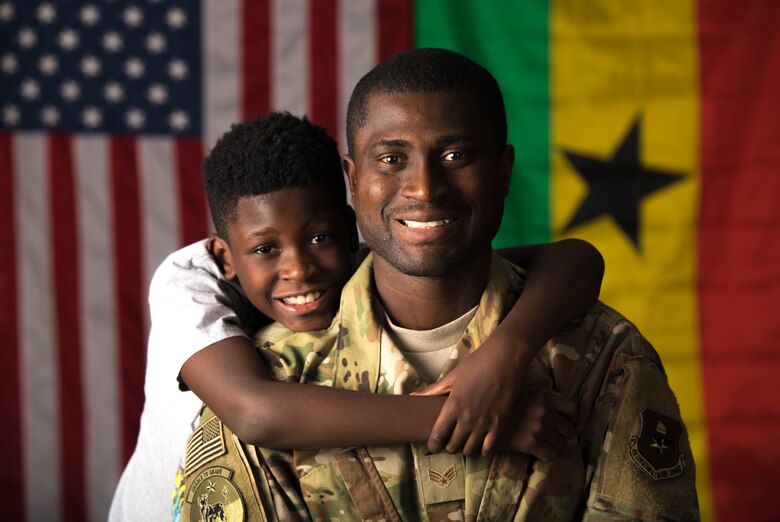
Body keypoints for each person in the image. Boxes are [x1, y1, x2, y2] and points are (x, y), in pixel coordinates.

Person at [182, 49, 700, 520]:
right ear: (353, 178)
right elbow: (254, 416)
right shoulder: (270, 374)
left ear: (502, 172)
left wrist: (512, 347)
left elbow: (578, 257)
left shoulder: (601, 359)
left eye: (456, 156)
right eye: (391, 159)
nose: (425, 187)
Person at [109, 113, 604, 521]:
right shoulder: (189, 281)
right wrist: (475, 417)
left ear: (348, 231)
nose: (299, 267)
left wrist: (503, 357)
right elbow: (253, 412)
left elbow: (575, 259)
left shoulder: (367, 265)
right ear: (225, 257)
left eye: (320, 237)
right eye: (265, 249)